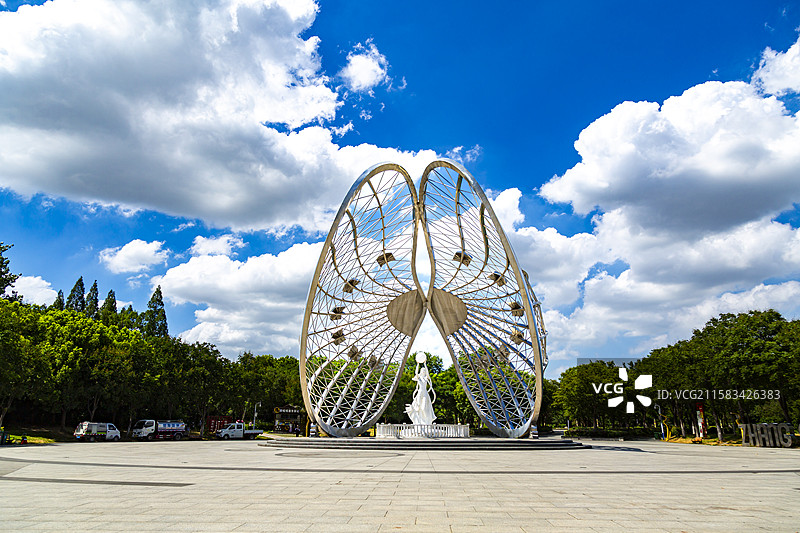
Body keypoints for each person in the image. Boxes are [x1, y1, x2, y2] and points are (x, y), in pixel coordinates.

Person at [405, 352, 436, 425]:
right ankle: (418, 422)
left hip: (425, 393)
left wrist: (425, 364)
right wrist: (418, 364)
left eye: (424, 371)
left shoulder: (426, 378)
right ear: (421, 372)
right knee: (417, 407)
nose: (424, 372)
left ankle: (426, 422)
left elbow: (428, 374)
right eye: (423, 371)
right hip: (419, 393)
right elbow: (416, 372)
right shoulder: (419, 378)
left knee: (424, 407)